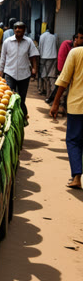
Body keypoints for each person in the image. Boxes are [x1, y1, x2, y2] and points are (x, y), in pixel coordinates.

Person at [50, 44, 83, 189]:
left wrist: (55, 103)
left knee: (74, 141)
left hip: (77, 106)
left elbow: (64, 80)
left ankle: (76, 177)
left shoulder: (76, 53)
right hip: (77, 106)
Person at [0, 21, 39, 120]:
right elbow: (3, 58)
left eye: (20, 28)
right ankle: (9, 118)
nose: (18, 30)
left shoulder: (29, 42)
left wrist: (34, 68)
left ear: (24, 30)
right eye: (16, 28)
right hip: (9, 73)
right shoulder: (7, 42)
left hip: (24, 74)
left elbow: (33, 56)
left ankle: (22, 117)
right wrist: (0, 73)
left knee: (21, 98)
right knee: (8, 97)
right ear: (13, 29)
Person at [38, 26, 58, 98]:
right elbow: (56, 46)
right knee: (51, 76)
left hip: (44, 57)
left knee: (44, 75)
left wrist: (39, 56)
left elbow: (40, 47)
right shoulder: (54, 36)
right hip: (53, 57)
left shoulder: (42, 36)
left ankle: (45, 91)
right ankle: (49, 93)